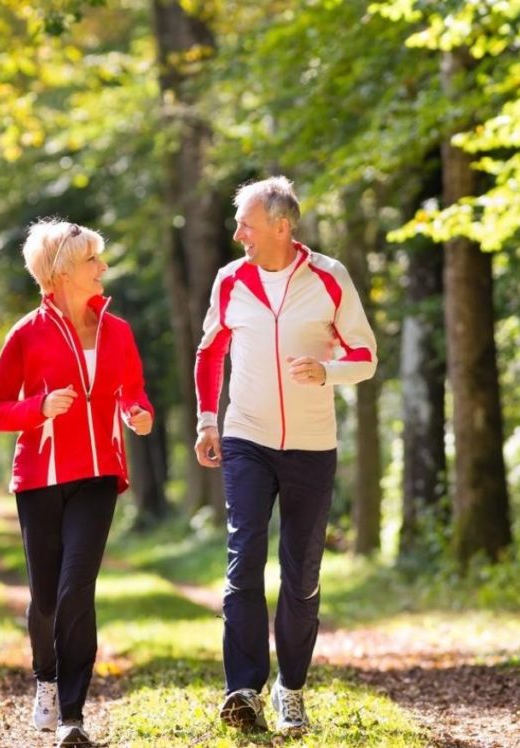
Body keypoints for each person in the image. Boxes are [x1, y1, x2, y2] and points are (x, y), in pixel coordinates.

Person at [193, 177, 377, 733]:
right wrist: (207, 422)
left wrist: (328, 371)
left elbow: (365, 356)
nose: (237, 233)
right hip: (246, 436)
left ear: (281, 225)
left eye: (246, 223)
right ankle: (243, 689)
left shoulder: (329, 277)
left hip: (311, 445)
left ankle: (290, 690)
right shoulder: (231, 280)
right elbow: (209, 353)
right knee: (244, 557)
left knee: (300, 575)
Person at [0, 219, 154, 748]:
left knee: (77, 588)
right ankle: (47, 679)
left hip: (100, 475)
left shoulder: (117, 331)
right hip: (40, 477)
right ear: (59, 273)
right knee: (48, 598)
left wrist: (137, 412)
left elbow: (134, 392)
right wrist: (39, 408)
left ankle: (74, 716)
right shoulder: (26, 334)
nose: (102, 268)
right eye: (92, 261)